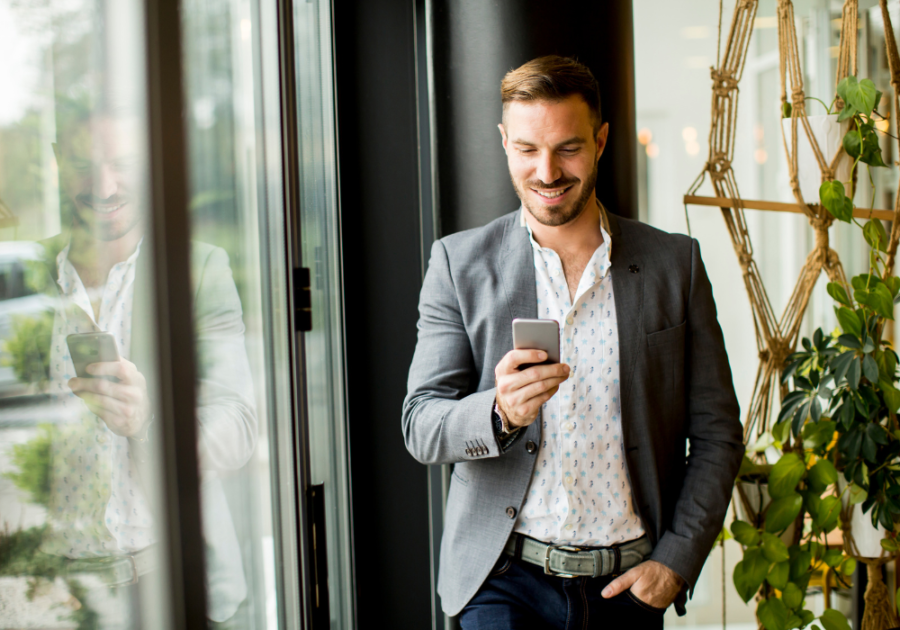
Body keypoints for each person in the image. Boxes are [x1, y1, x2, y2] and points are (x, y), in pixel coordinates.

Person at [402, 55, 744, 629]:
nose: (547, 171)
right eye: (528, 149)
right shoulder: (458, 264)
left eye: (568, 148)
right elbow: (421, 423)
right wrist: (498, 411)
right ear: (505, 142)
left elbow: (717, 434)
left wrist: (676, 563)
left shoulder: (673, 265)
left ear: (602, 140)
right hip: (501, 581)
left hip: (628, 589)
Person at [35, 95, 256, 627]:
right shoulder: (21, 277)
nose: (105, 187)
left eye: (124, 166)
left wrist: (148, 422)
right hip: (46, 593)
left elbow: (238, 425)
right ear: (60, 160)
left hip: (164, 585)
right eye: (86, 165)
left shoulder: (199, 269)